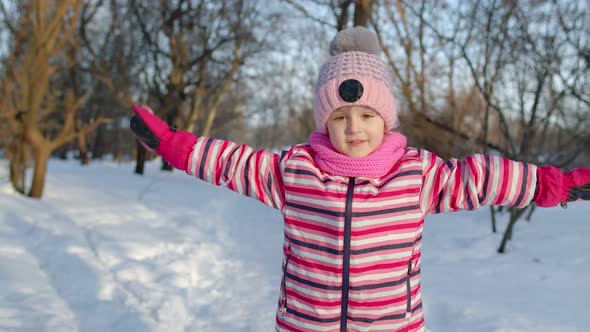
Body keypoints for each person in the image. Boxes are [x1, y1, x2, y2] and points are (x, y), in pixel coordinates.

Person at [129, 27, 589, 332]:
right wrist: (172, 144)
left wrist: (556, 185)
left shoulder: (416, 174)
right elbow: (232, 162)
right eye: (341, 115)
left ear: (385, 118)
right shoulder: (295, 171)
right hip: (306, 324)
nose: (354, 128)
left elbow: (481, 178)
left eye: (367, 114)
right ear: (324, 120)